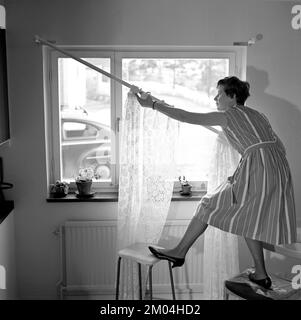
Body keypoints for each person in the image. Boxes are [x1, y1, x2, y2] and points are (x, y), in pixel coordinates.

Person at [134, 76, 297, 290]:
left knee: (208, 204)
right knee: (249, 218)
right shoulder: (258, 115)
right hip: (278, 169)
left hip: (260, 167)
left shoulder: (228, 115)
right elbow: (279, 146)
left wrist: (154, 105)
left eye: (219, 94)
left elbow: (186, 116)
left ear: (232, 96)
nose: (215, 98)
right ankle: (260, 274)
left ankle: (179, 252)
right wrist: (250, 169)